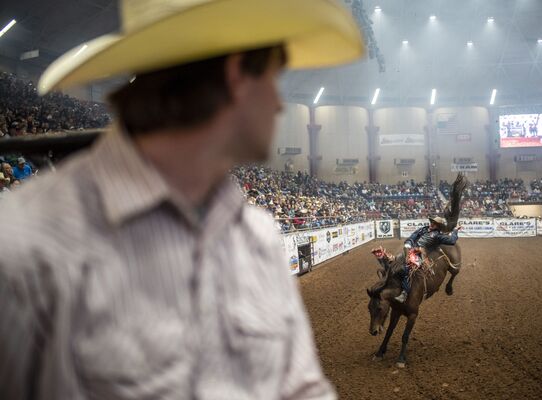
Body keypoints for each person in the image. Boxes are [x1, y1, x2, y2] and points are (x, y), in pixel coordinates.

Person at [0, 1, 363, 399]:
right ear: (236, 73)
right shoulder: (23, 249)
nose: (278, 103)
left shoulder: (257, 235)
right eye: (273, 79)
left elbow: (301, 389)